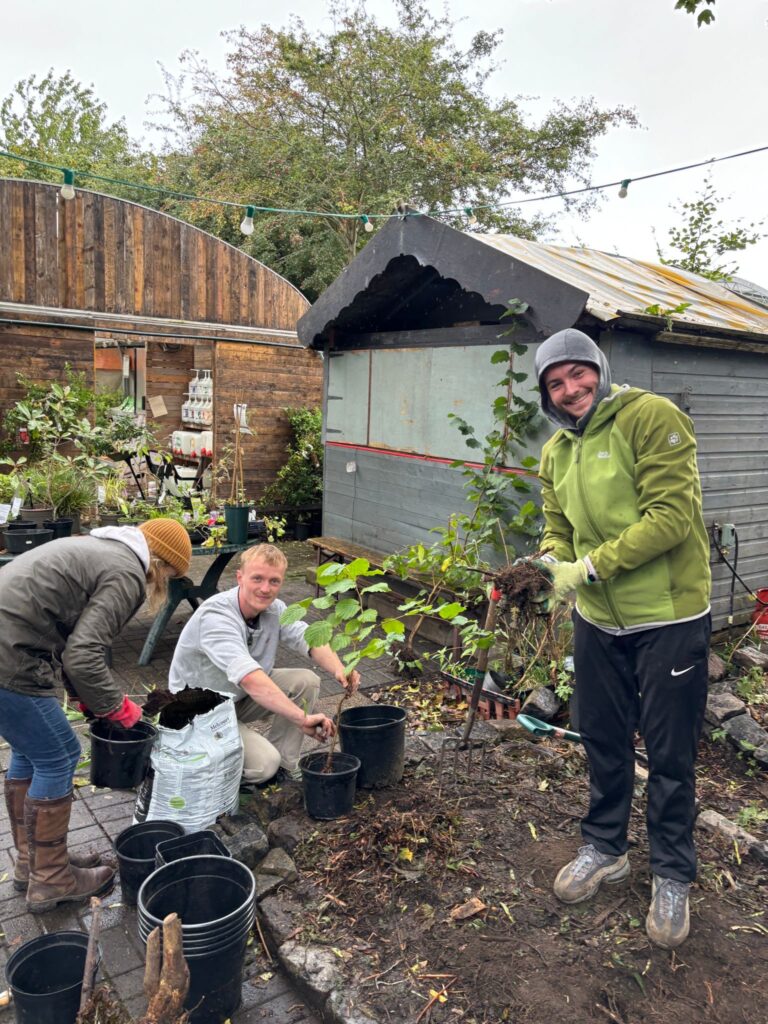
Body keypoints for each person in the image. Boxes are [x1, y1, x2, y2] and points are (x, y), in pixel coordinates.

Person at [531, 328, 711, 950]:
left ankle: (671, 872)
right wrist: (551, 562)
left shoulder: (649, 417)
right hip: (598, 620)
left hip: (668, 618)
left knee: (669, 753)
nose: (570, 389)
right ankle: (606, 847)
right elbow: (557, 526)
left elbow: (671, 518)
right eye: (556, 383)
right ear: (546, 396)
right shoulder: (555, 452)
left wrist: (590, 566)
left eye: (578, 374)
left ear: (599, 370)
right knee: (603, 737)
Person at [0, 518, 192, 914]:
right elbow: (84, 655)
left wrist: (86, 702)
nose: (164, 584)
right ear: (161, 563)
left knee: (30, 751)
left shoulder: (99, 548)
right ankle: (52, 880)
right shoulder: (126, 572)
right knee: (59, 755)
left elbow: (72, 646)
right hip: (9, 656)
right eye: (170, 576)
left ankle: (31, 863)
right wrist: (119, 708)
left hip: (11, 648)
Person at [168, 543, 360, 784]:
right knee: (263, 765)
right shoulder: (216, 616)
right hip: (199, 712)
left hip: (235, 698)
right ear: (240, 577)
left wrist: (339, 669)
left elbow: (309, 638)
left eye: (274, 581)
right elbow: (250, 678)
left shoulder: (274, 609)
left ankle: (285, 769)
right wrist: (302, 718)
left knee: (305, 681)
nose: (265, 589)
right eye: (257, 578)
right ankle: (194, 767)